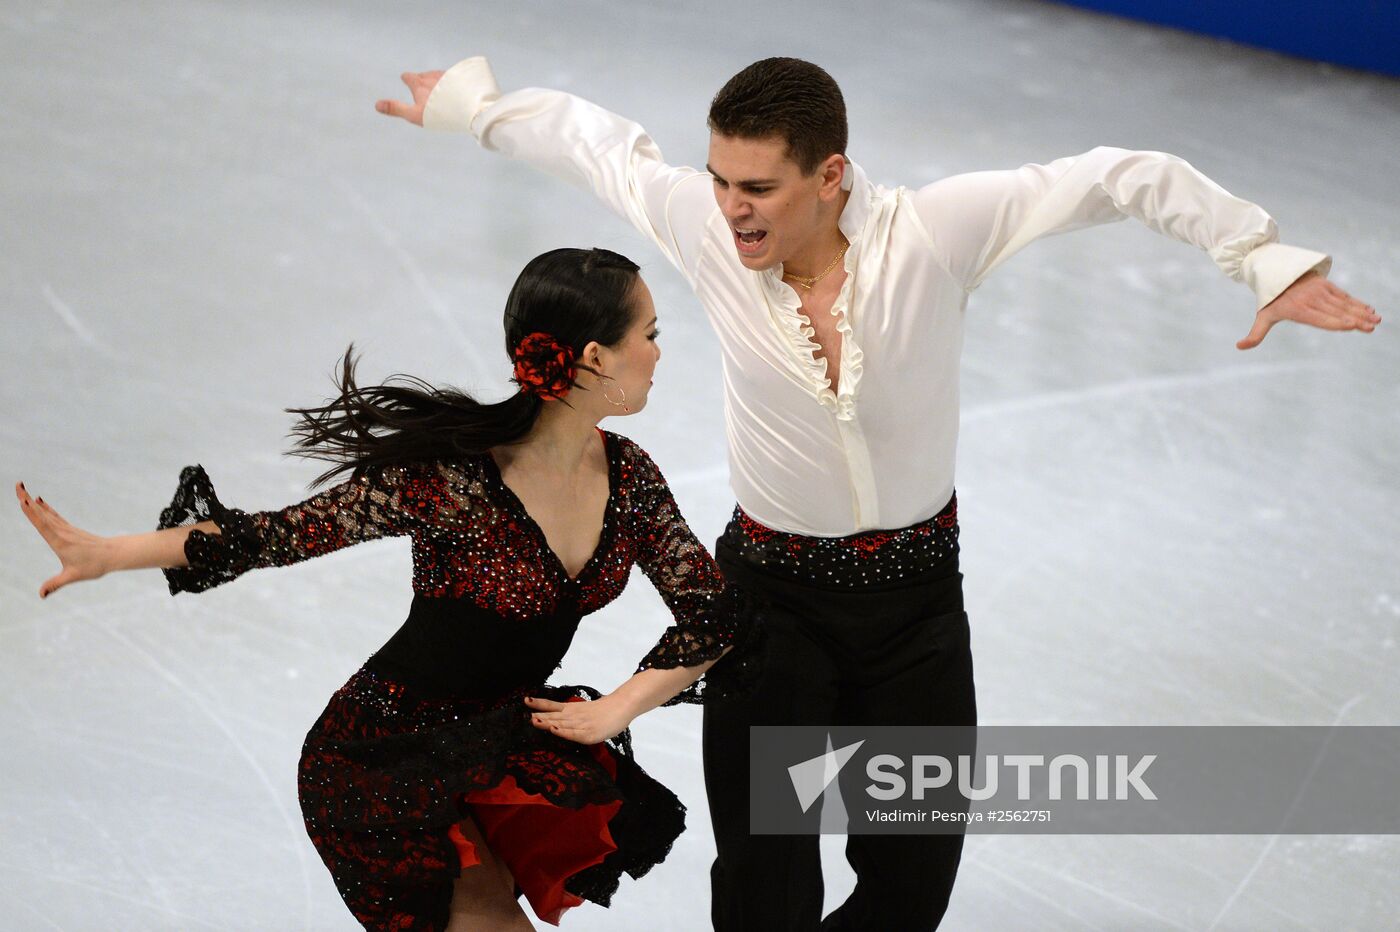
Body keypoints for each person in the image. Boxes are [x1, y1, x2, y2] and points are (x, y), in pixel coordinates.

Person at [373, 55, 1381, 931]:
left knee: (908, 887)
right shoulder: (704, 226)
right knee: (766, 892)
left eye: (757, 186)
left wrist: (1259, 259)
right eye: (721, 178)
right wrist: (471, 105)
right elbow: (598, 145)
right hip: (768, 607)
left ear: (829, 175)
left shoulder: (935, 232)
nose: (730, 207)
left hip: (913, 614)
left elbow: (1116, 177)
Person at [15, 246, 761, 932]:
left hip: (488, 752)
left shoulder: (629, 478)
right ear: (596, 357)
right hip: (379, 761)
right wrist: (111, 553)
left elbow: (712, 613)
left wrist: (617, 710)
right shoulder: (456, 480)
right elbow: (280, 535)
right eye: (651, 334)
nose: (660, 354)